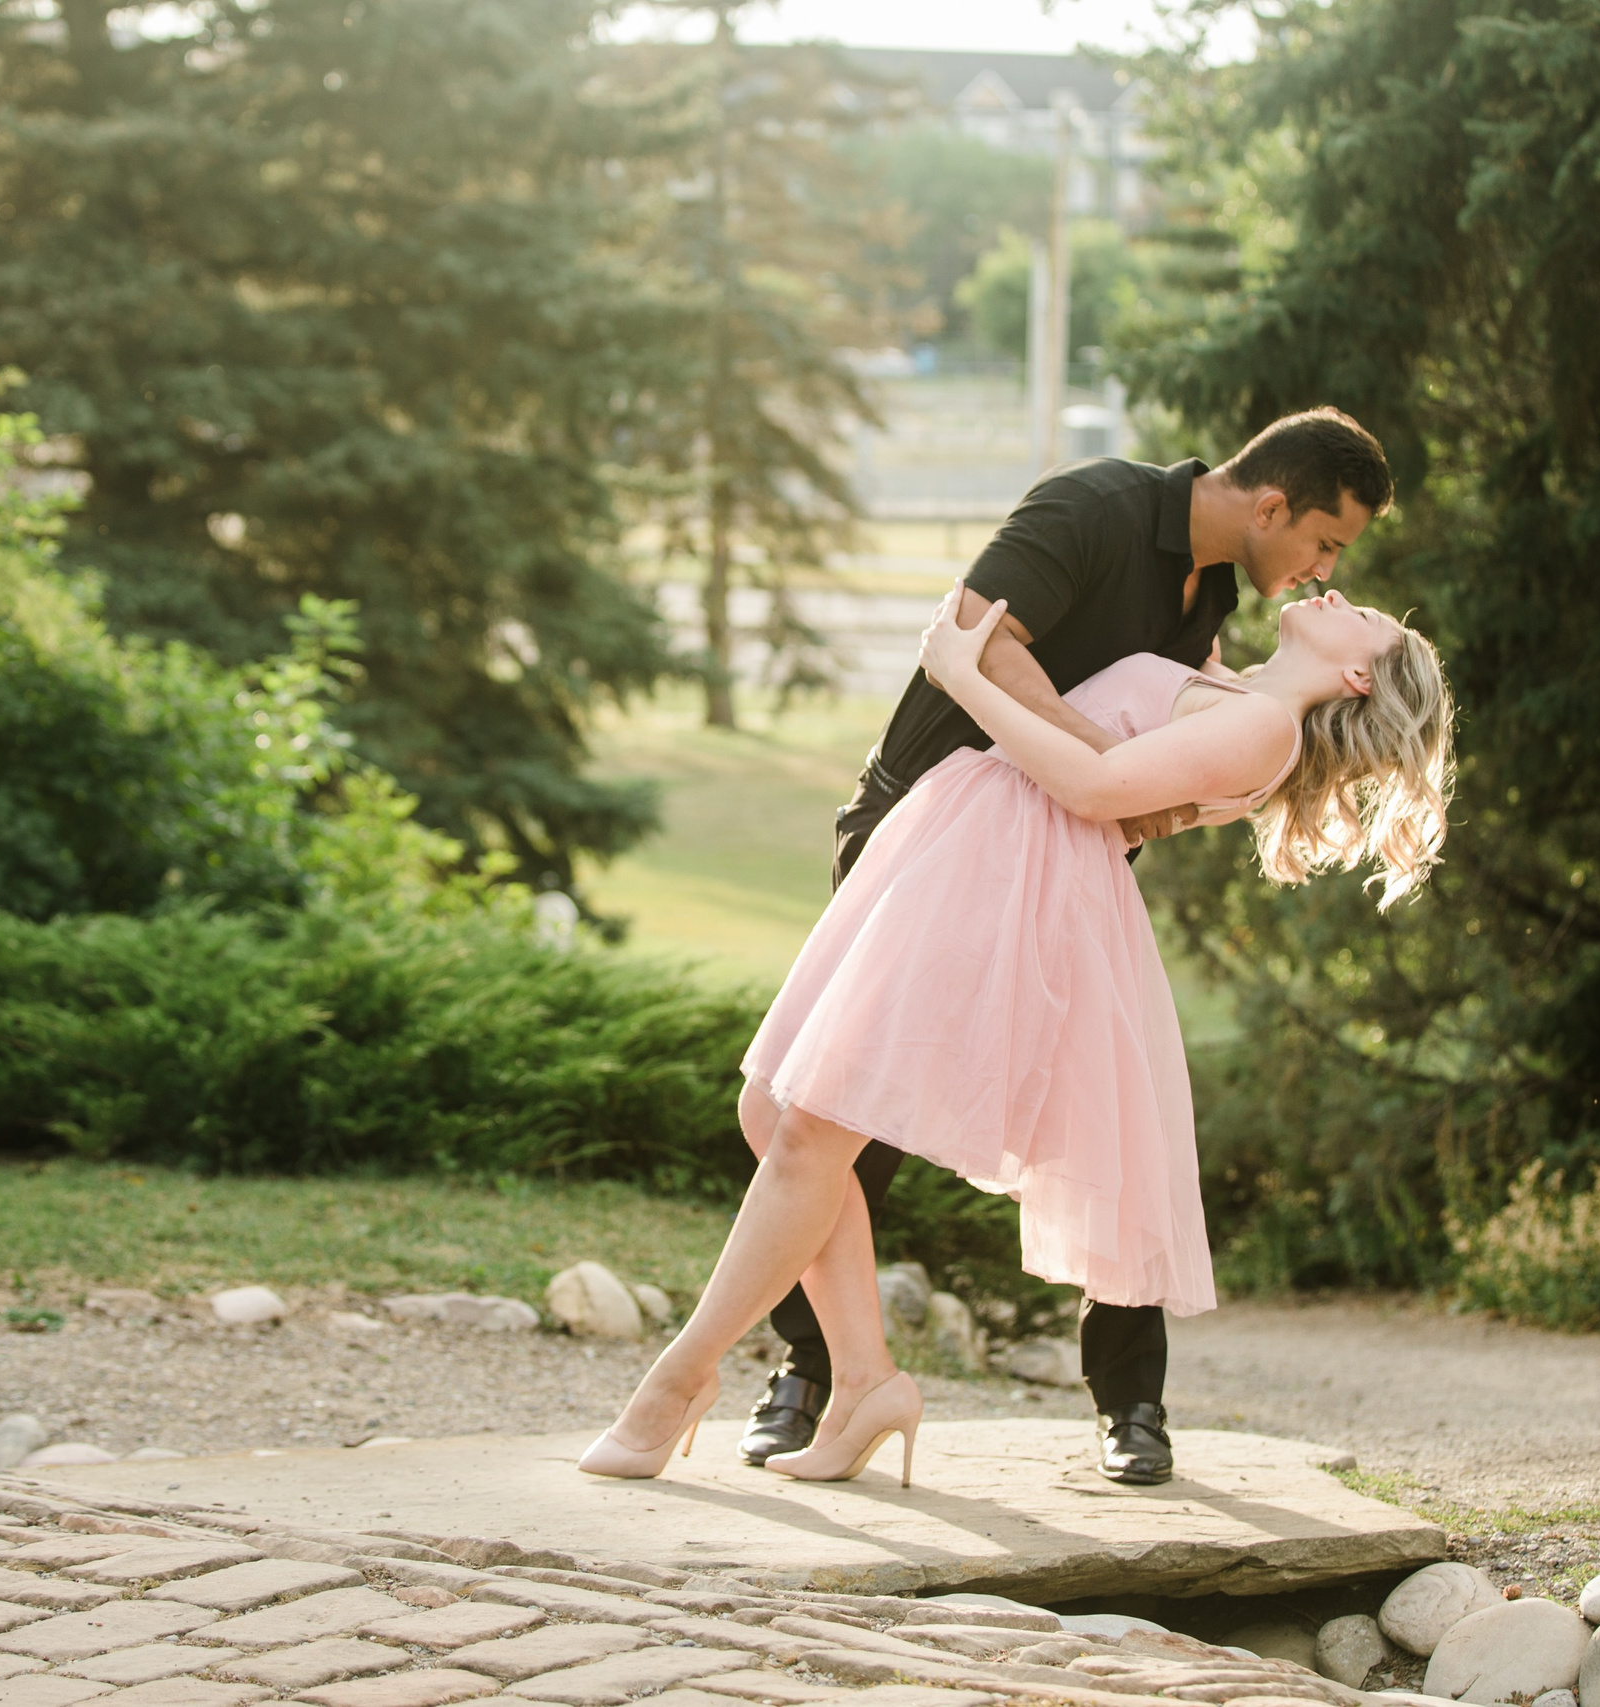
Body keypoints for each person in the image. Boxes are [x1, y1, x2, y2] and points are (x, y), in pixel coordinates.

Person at [575, 564, 1453, 1485]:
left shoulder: (1266, 729)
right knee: (772, 1110)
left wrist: (962, 676)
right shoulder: (1236, 692)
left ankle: (677, 1379)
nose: (1333, 594)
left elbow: (1092, 783)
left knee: (807, 1127)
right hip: (970, 843)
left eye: (1359, 616)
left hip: (1008, 883)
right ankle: (865, 1376)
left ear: (1359, 678)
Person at [743, 407, 1398, 1486]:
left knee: (1110, 1120)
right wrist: (1102, 772)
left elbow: (1175, 763)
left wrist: (1150, 792)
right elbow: (979, 638)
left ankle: (1130, 1404)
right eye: (1327, 543)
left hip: (1065, 870)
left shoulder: (1217, 598)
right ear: (1272, 505)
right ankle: (813, 1374)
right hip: (929, 825)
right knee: (838, 1113)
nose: (1324, 569)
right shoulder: (1091, 506)